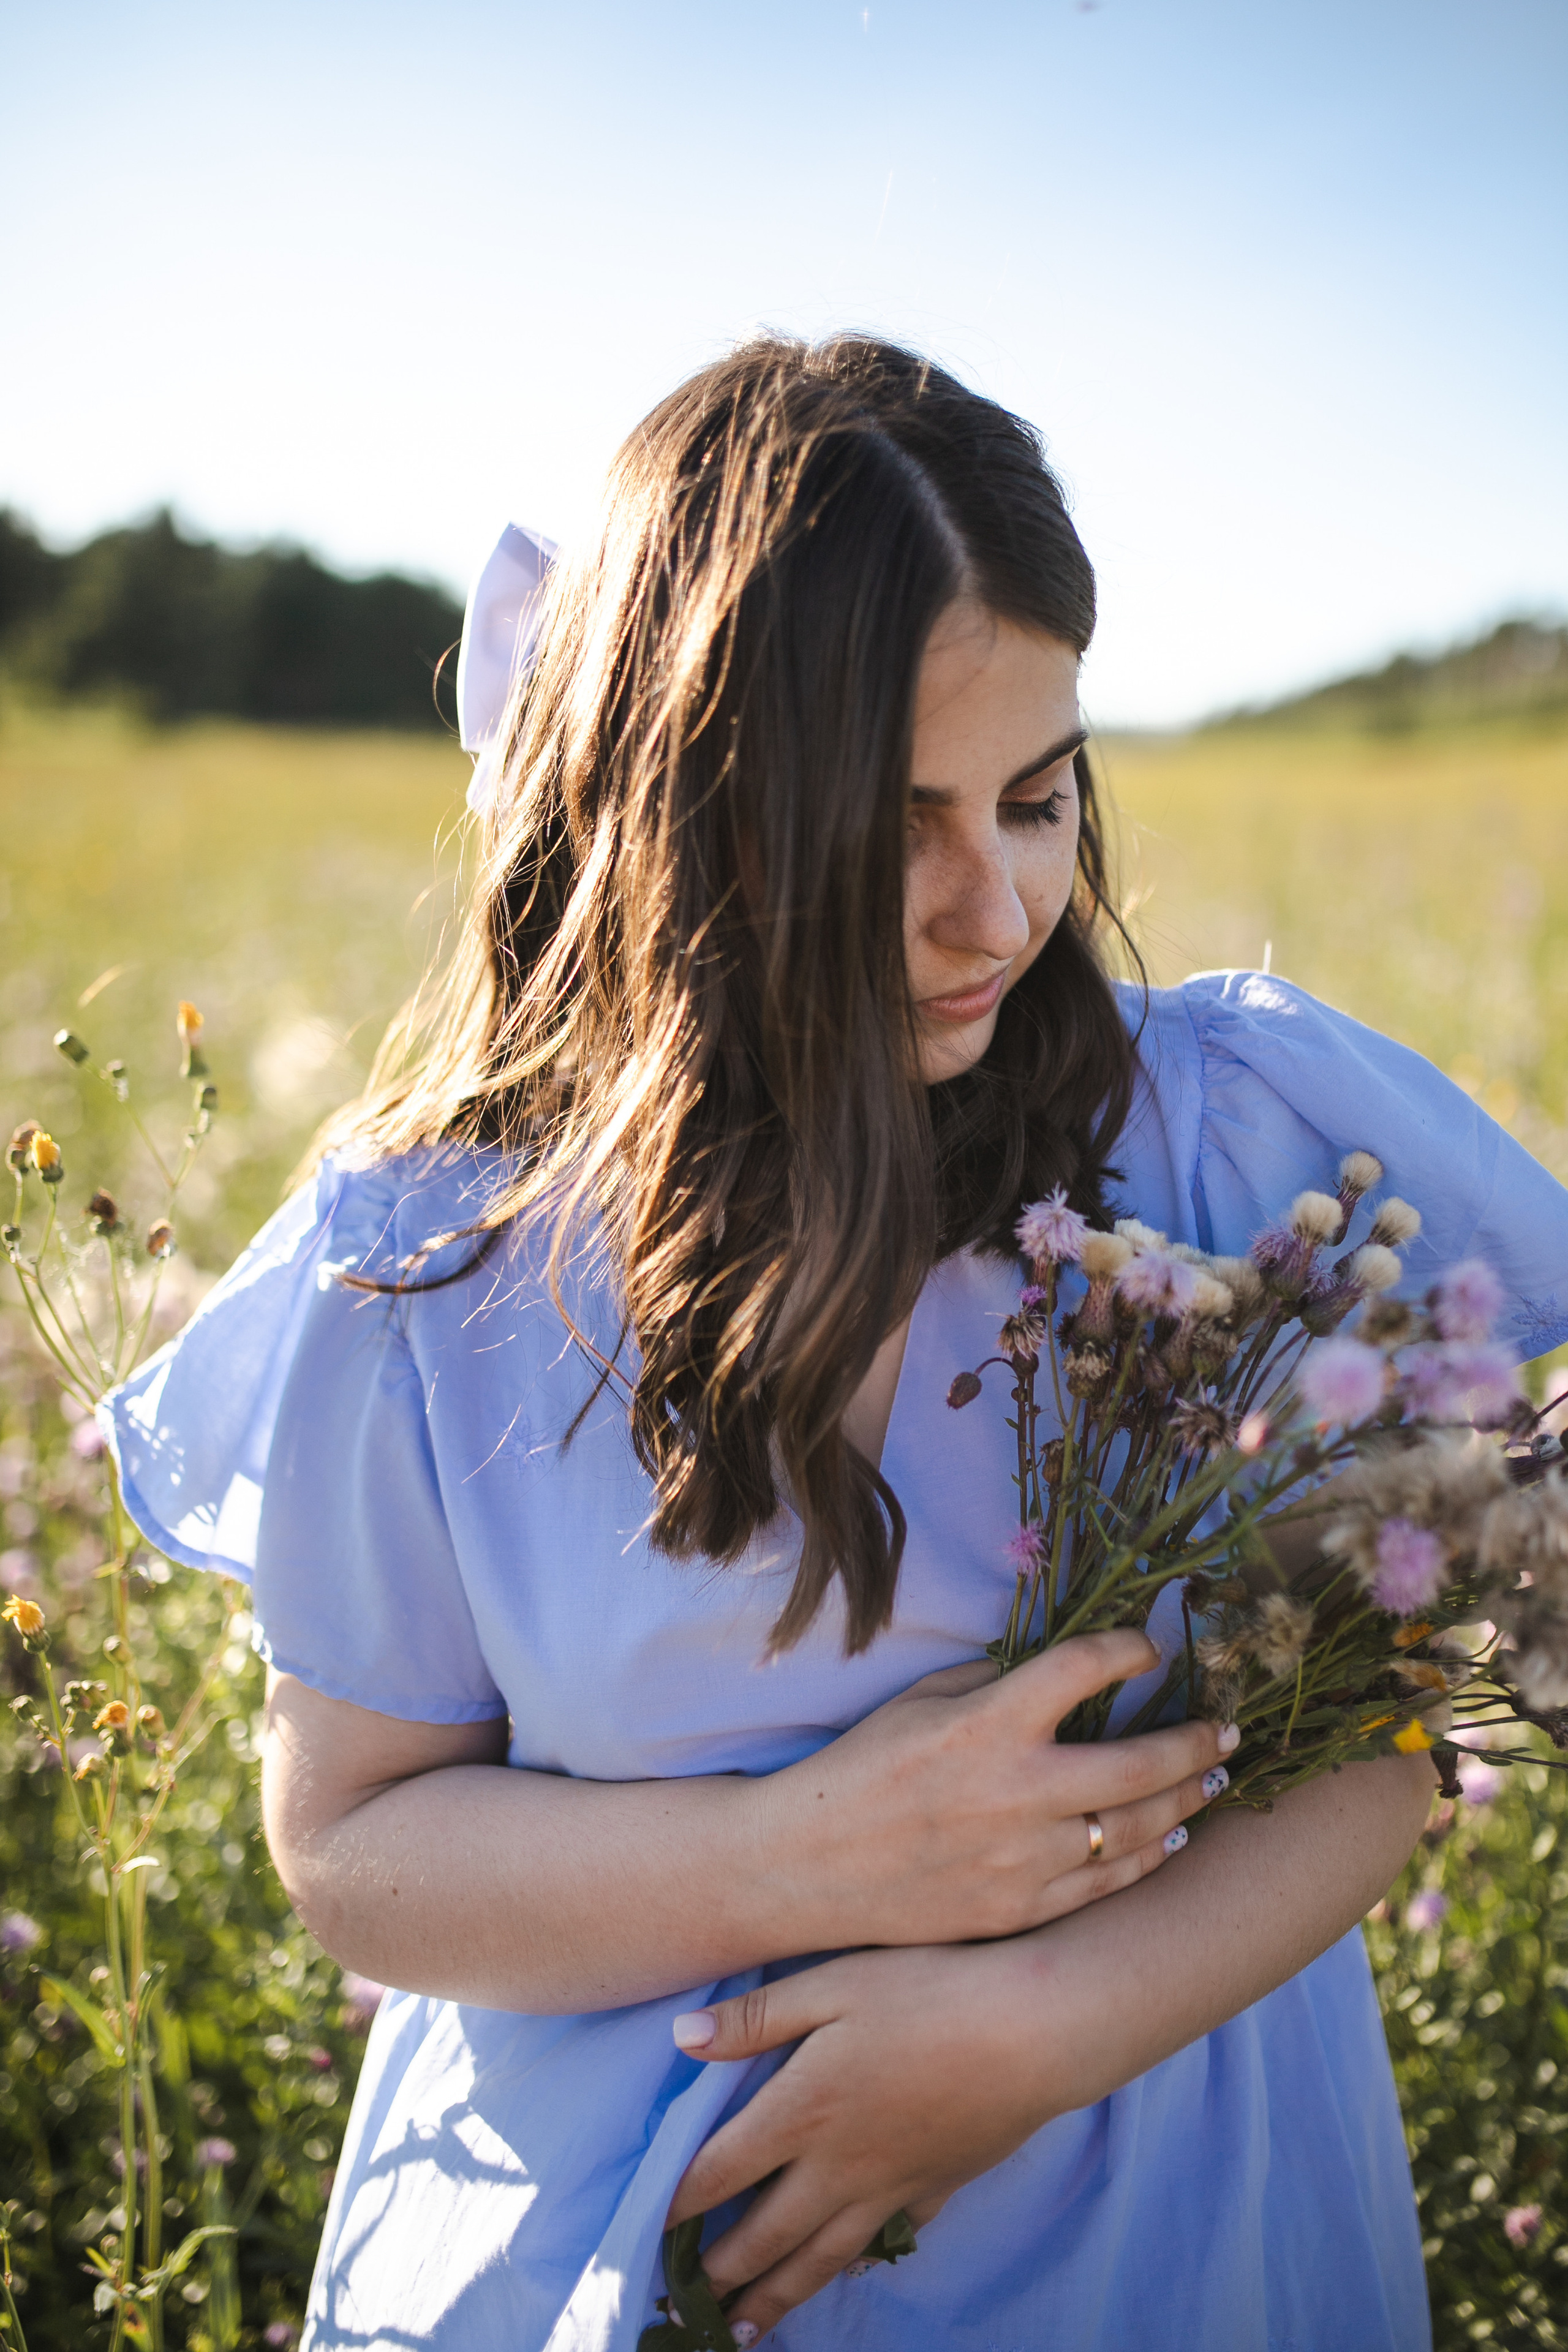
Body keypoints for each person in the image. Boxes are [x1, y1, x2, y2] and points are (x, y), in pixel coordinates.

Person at [104, 333, 1568, 2352]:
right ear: (689, 822)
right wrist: (822, 1851)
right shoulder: (439, 1270)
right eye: (896, 828)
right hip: (613, 2266)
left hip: (1181, 2244)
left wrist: (1044, 2023)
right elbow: (353, 1847)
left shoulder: (1223, 1144)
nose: (1000, 910)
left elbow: (1420, 1670)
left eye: (1041, 799)